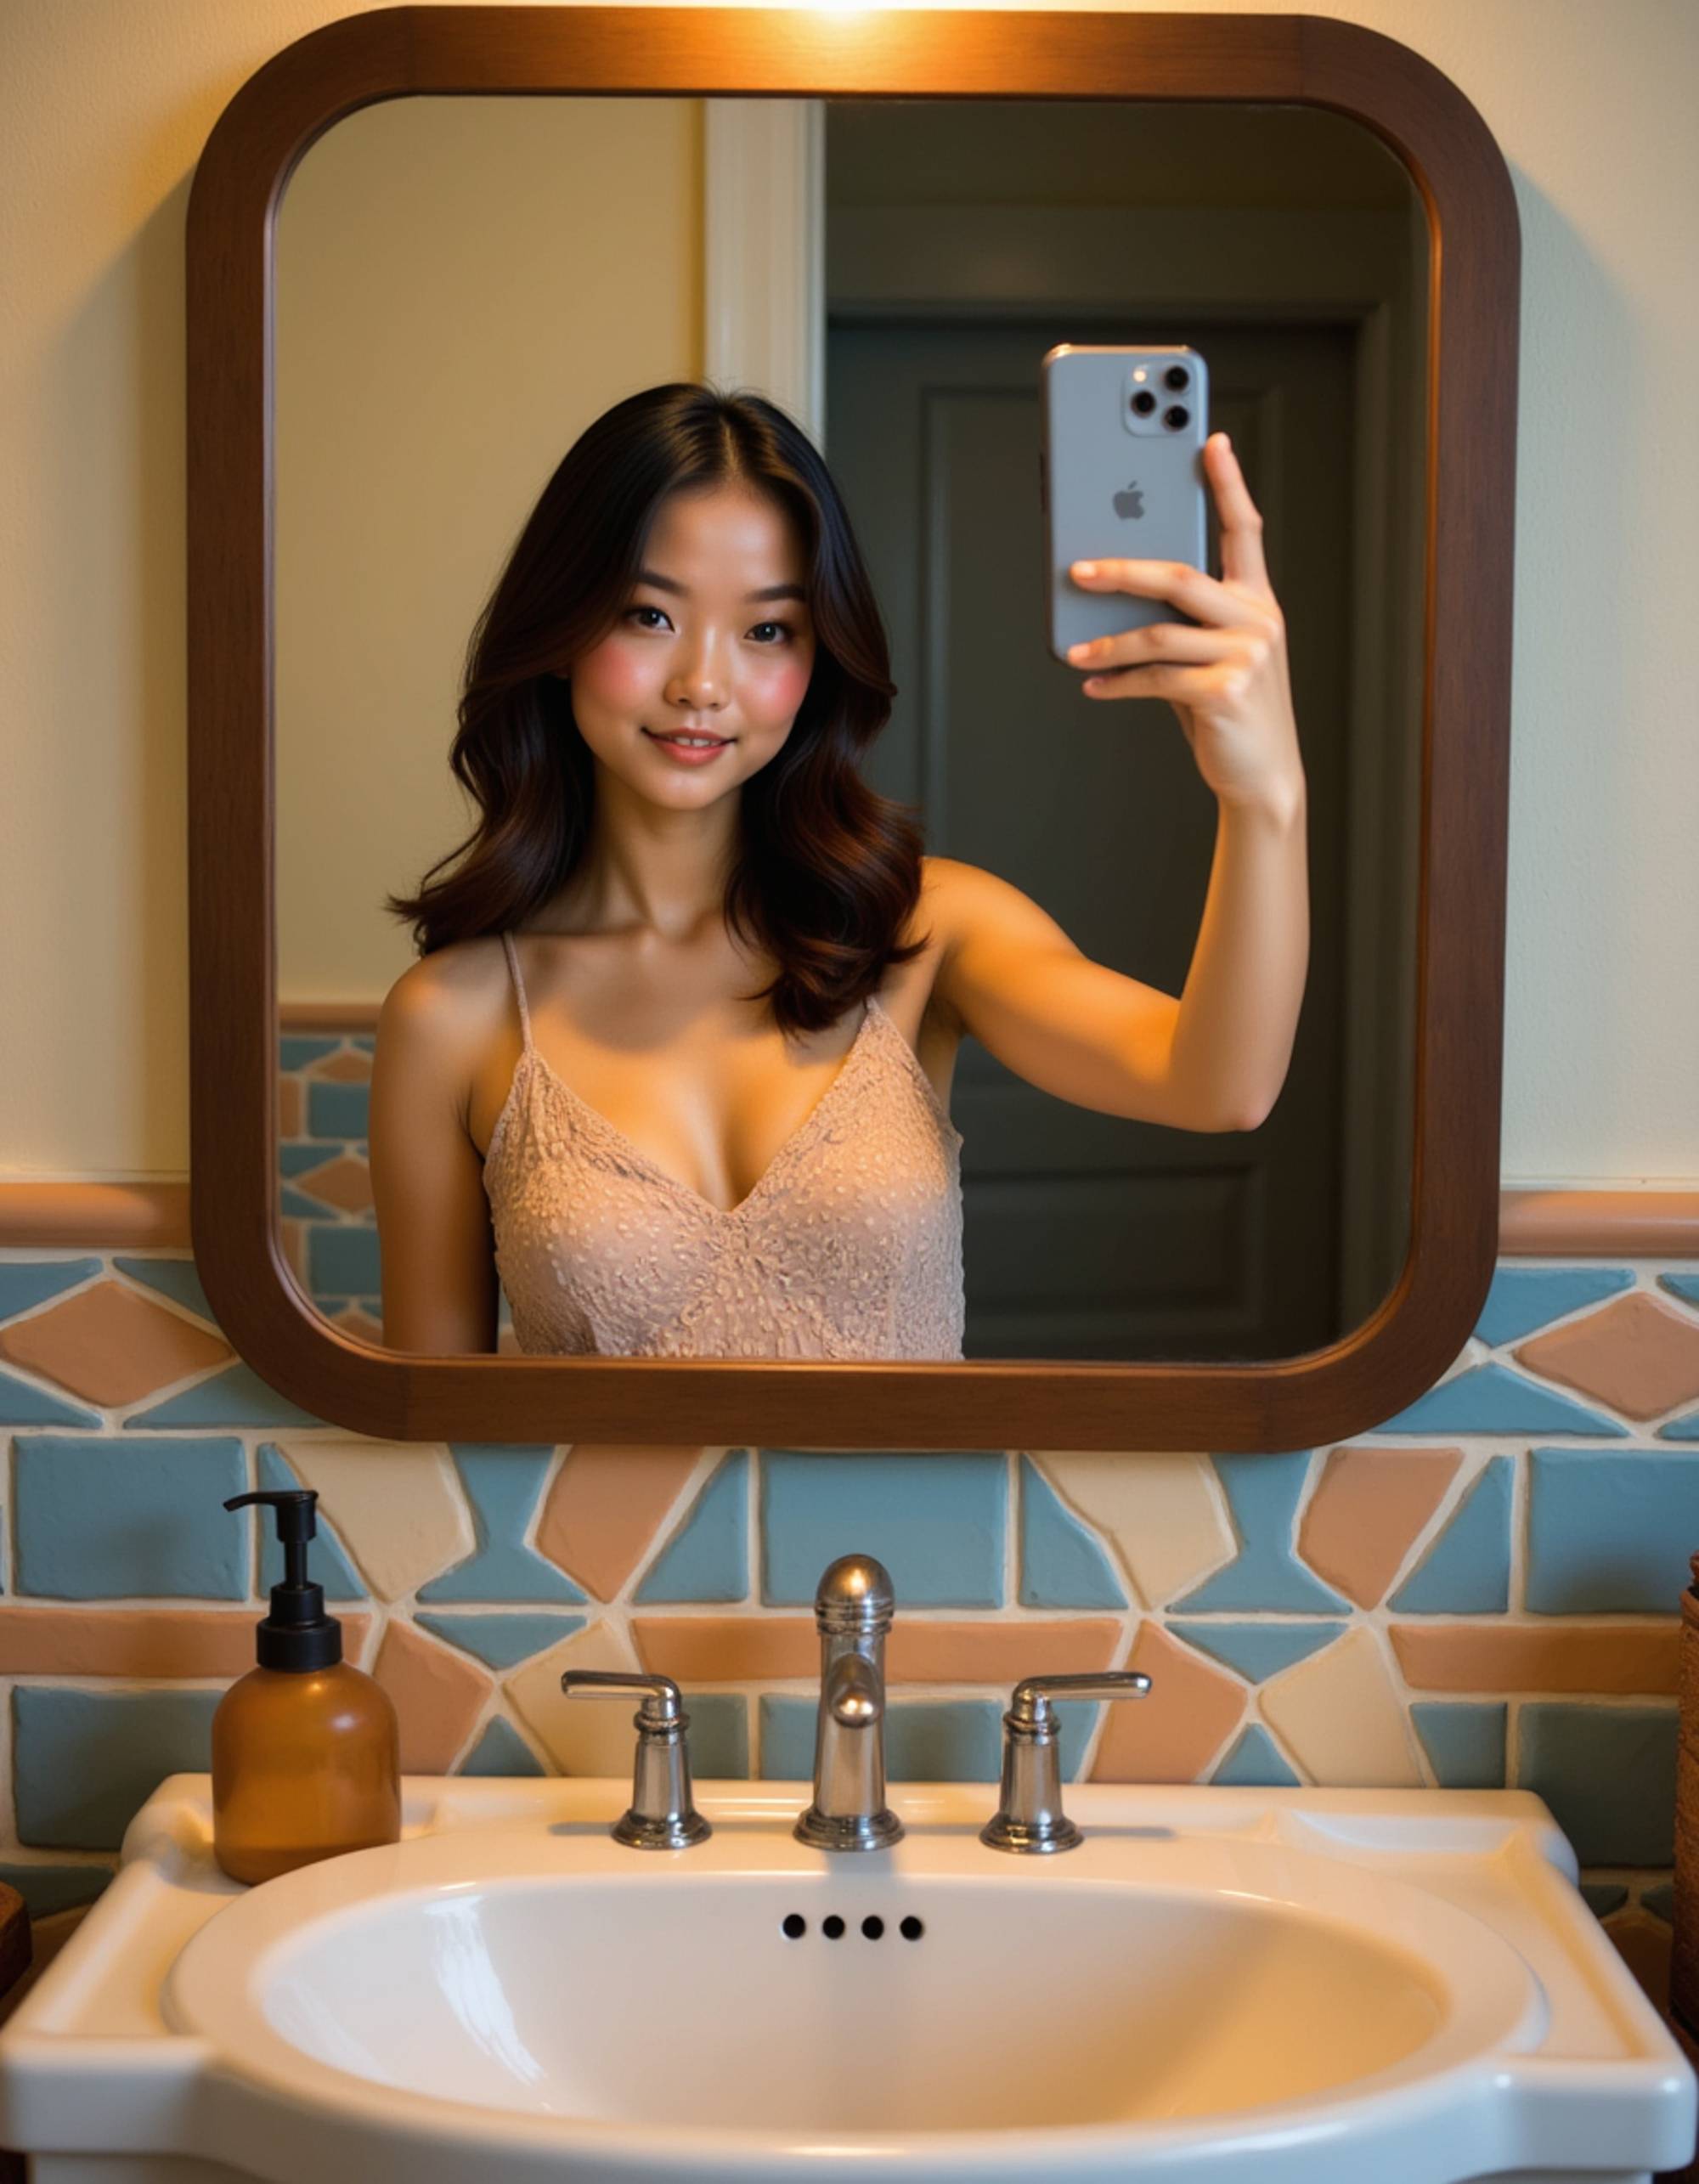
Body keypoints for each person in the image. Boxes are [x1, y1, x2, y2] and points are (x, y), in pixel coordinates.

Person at [370, 381, 1307, 1360]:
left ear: (818, 658)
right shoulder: (451, 1018)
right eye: (647, 615)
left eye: (766, 630)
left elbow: (1217, 1086)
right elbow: (434, 1428)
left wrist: (1265, 796)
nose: (701, 683)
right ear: (561, 631)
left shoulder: (927, 930)